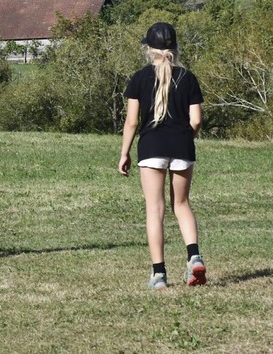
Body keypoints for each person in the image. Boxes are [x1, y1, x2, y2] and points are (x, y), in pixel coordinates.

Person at [118, 22, 206, 289]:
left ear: (148, 48)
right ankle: (194, 257)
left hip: (151, 146)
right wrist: (182, 138)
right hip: (182, 146)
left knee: (155, 209)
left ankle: (159, 275)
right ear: (175, 48)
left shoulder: (139, 78)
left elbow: (132, 122)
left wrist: (124, 153)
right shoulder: (188, 78)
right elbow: (197, 120)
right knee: (182, 204)